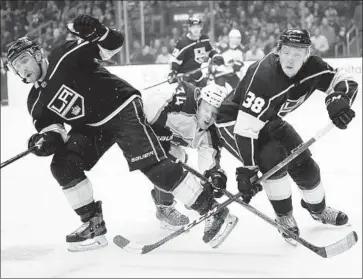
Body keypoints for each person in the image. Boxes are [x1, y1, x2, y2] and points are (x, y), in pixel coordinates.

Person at [6, 14, 239, 252]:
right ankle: (92, 224)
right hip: (91, 128)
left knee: (152, 165)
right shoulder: (35, 101)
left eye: (24, 60)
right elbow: (54, 129)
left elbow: (112, 46)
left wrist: (99, 30)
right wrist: (46, 141)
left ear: (36, 54)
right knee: (63, 165)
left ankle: (213, 210)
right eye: (16, 67)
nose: (22, 69)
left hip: (121, 107)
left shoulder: (62, 56)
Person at [215, 28, 358, 244]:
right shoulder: (262, 76)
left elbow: (342, 78)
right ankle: (284, 215)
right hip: (234, 122)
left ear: (307, 55)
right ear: (278, 51)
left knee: (304, 163)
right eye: (287, 51)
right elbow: (246, 129)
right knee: (274, 160)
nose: (291, 58)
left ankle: (317, 209)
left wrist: (339, 98)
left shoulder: (314, 67)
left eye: (298, 53)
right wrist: (248, 170)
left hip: (269, 119)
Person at [144, 81, 238, 231]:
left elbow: (208, 155)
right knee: (172, 159)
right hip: (141, 131)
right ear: (199, 102)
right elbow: (151, 103)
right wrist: (149, 129)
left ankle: (186, 197)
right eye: (207, 109)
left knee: (179, 157)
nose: (208, 117)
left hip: (165, 140)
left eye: (214, 114)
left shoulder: (211, 131)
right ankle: (164, 207)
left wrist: (213, 176)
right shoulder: (182, 102)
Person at [168, 14, 224, 87]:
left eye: (198, 27)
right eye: (193, 27)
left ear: (201, 28)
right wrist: (173, 72)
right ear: (189, 28)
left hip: (198, 74)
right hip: (185, 76)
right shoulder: (183, 42)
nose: (196, 29)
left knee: (205, 93)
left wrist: (216, 56)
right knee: (190, 95)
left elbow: (209, 50)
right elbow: (174, 59)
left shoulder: (204, 39)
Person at [210, 29, 244, 93]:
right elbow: (212, 61)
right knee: (220, 92)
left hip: (231, 74)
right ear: (230, 38)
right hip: (220, 74)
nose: (235, 40)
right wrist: (216, 62)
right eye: (234, 38)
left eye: (238, 38)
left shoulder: (240, 52)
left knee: (239, 90)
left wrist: (236, 65)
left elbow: (239, 65)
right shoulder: (221, 48)